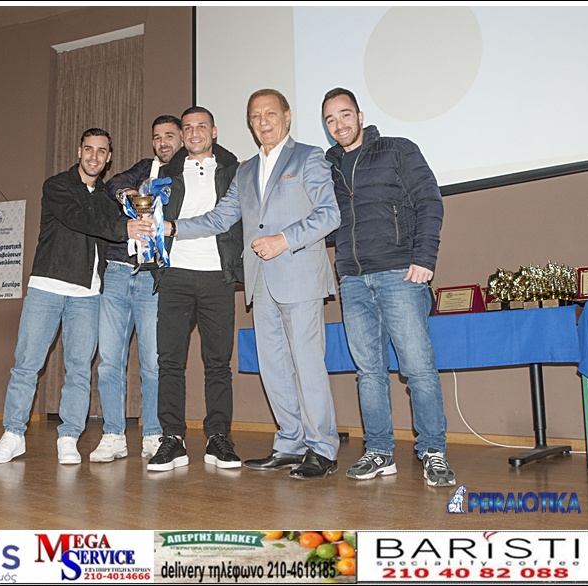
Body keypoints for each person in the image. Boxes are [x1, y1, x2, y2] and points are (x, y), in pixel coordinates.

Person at [168, 90, 341, 480]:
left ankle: (322, 448)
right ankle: (290, 442)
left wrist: (284, 239)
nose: (263, 122)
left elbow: (330, 214)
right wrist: (172, 227)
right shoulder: (245, 170)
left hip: (299, 277)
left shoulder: (309, 157)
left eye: (270, 114)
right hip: (260, 283)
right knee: (273, 367)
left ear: (287, 116)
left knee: (307, 366)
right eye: (255, 116)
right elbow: (218, 218)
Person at [0, 128, 153, 465]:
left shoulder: (108, 198)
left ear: (108, 158)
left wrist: (142, 229)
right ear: (79, 151)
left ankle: (69, 436)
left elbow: (117, 232)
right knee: (26, 365)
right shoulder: (57, 186)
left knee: (79, 370)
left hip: (88, 295)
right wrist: (124, 228)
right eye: (88, 149)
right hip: (47, 287)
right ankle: (13, 434)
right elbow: (81, 220)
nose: (94, 156)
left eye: (101, 151)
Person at [321, 87, 455, 487]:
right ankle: (379, 451)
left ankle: (433, 451)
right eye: (330, 120)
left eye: (345, 115)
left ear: (360, 115)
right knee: (369, 373)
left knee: (418, 369)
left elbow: (430, 201)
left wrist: (424, 258)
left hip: (401, 274)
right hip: (352, 279)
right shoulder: (328, 167)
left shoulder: (397, 149)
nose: (339, 125)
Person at [145, 106, 244, 472]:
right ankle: (172, 438)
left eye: (202, 126)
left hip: (218, 276)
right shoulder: (164, 174)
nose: (195, 133)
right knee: (169, 362)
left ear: (214, 131)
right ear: (182, 135)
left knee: (218, 363)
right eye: (187, 128)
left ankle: (218, 437)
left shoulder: (235, 171)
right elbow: (149, 217)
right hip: (174, 276)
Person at [89, 115, 183, 463]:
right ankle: (113, 433)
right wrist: (128, 194)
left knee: (153, 363)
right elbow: (114, 182)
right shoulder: (145, 168)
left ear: (182, 138)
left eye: (169, 136)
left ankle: (153, 434)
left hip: (153, 278)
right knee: (109, 362)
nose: (163, 142)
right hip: (117, 271)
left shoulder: (187, 176)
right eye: (157, 137)